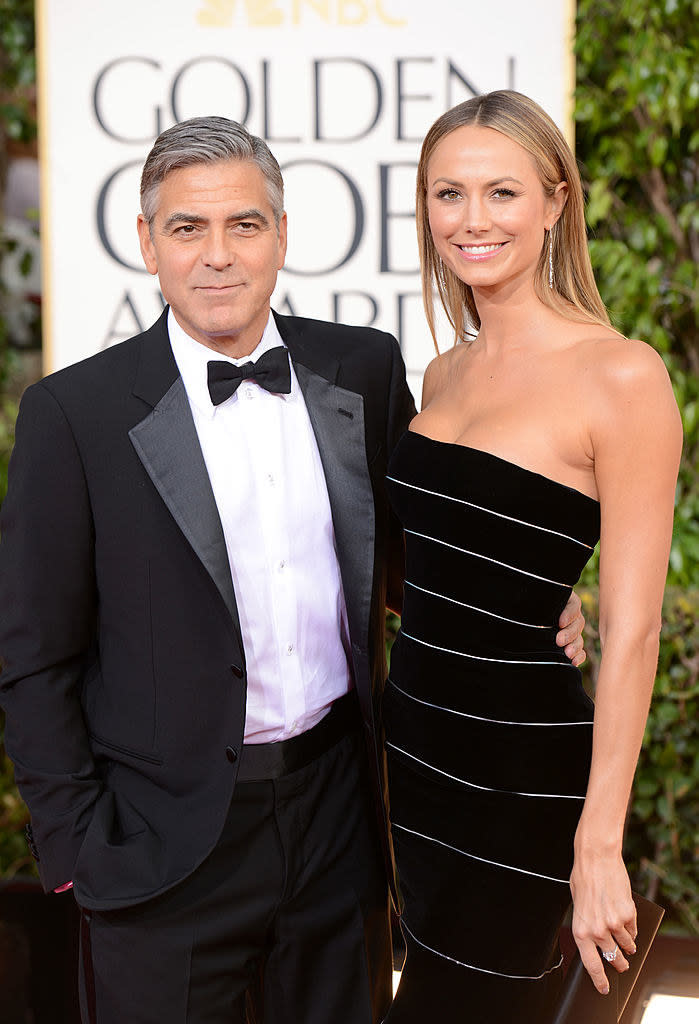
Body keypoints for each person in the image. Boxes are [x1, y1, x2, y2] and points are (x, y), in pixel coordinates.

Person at [0, 116, 585, 1024]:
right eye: (188, 229)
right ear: (148, 243)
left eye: (244, 224)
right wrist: (78, 848)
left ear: (281, 234)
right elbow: (32, 654)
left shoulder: (361, 368)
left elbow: (407, 555)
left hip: (337, 823)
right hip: (159, 846)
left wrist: (532, 600)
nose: (218, 255)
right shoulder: (71, 415)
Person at [382, 91, 682, 1023]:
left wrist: (597, 843)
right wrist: (541, 590)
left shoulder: (621, 376)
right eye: (447, 195)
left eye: (501, 192)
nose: (472, 221)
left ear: (555, 202)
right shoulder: (443, 371)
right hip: (415, 756)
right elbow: (439, 566)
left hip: (521, 782)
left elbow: (632, 637)